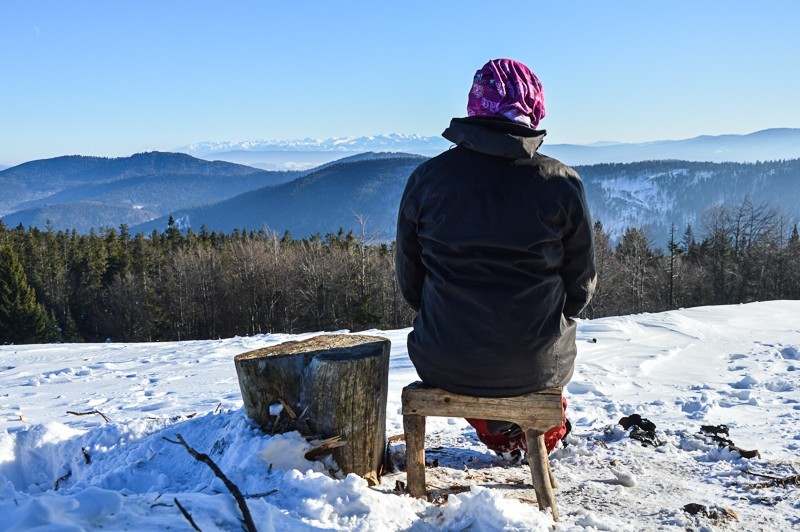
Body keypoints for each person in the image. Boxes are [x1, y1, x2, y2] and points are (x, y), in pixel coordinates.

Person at [395, 58, 596, 455]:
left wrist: (445, 313)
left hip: (444, 355)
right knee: (533, 363)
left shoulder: (426, 180)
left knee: (476, 360)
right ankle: (532, 433)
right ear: (534, 108)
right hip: (536, 357)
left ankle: (500, 434)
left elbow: (411, 282)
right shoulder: (561, 183)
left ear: (475, 106)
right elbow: (580, 284)